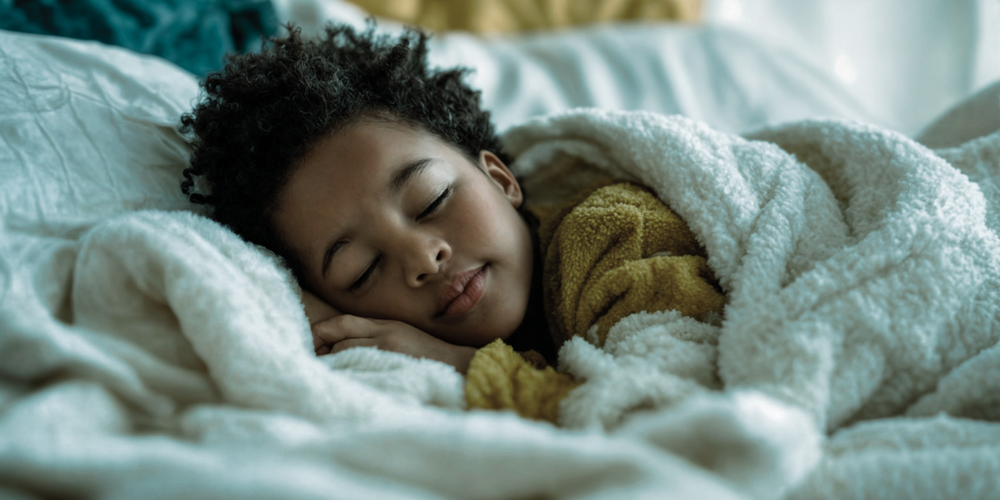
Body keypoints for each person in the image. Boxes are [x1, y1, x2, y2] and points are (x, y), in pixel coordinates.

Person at [180, 23, 724, 389]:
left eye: (432, 199)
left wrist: (456, 362)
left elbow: (670, 401)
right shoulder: (390, 369)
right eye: (361, 271)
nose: (423, 258)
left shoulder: (615, 231)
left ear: (500, 179)